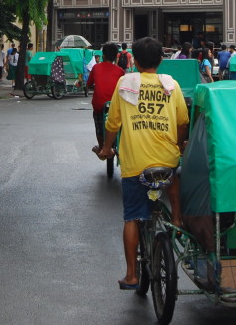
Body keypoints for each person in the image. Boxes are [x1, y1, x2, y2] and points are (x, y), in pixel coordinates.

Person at [97, 37, 189, 290]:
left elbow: (112, 124)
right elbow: (183, 122)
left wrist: (106, 149)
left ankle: (131, 275)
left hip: (135, 163)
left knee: (133, 218)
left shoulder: (125, 83)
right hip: (167, 160)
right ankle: (178, 219)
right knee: (172, 174)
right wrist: (179, 145)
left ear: (134, 60)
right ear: (161, 60)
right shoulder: (172, 85)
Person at [86, 42, 125, 152]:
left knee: (98, 125)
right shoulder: (120, 71)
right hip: (115, 106)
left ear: (103, 55)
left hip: (99, 106)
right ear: (116, 57)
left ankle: (101, 146)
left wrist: (90, 87)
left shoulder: (96, 68)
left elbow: (88, 84)